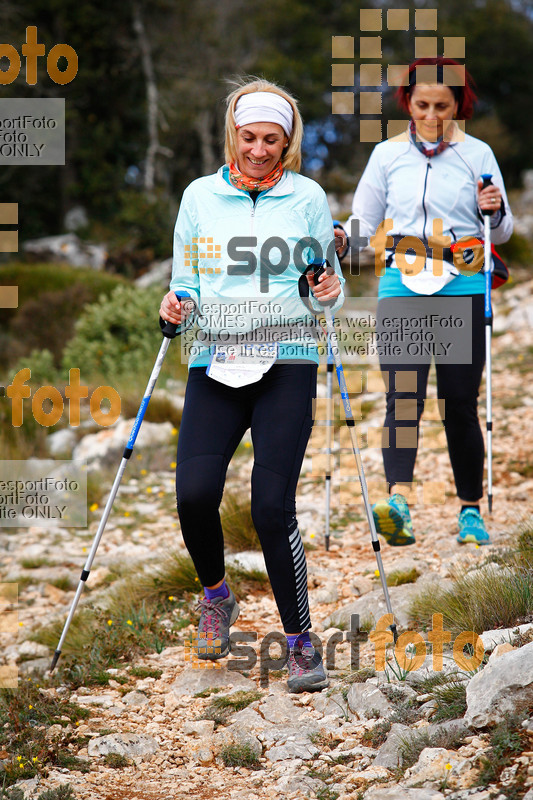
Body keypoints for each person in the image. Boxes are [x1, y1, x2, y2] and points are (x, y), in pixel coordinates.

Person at [159, 78, 344, 692]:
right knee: (193, 494)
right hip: (214, 357)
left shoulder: (307, 197)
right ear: (232, 135)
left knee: (270, 506)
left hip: (286, 358)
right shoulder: (199, 197)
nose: (259, 150)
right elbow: (186, 276)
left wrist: (326, 289)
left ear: (287, 142)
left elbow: (330, 284)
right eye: (249, 137)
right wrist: (176, 303)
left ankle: (299, 642)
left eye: (272, 140)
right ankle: (217, 595)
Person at [341, 57, 513, 546]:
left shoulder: (477, 155)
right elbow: (361, 223)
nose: (433, 115)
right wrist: (337, 240)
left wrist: (495, 211)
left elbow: (504, 229)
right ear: (407, 104)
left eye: (443, 105)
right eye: (422, 105)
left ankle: (470, 511)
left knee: (458, 403)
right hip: (401, 284)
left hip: (461, 286)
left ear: (459, 104)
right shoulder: (387, 155)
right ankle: (398, 503)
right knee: (402, 399)